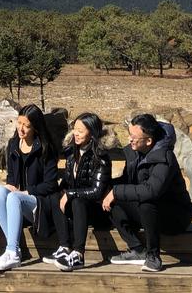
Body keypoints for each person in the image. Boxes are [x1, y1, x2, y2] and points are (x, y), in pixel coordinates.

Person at [0, 104, 60, 272]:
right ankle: (13, 249)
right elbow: (12, 180)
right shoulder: (13, 145)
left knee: (14, 197)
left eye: (27, 125)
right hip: (17, 201)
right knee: (0, 192)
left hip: (40, 203)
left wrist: (26, 192)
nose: (21, 129)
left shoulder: (46, 148)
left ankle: (12, 253)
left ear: (36, 128)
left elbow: (50, 184)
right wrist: (9, 186)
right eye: (19, 123)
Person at [102, 113, 192, 273]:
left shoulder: (165, 158)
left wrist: (116, 191)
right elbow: (126, 181)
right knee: (110, 199)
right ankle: (138, 249)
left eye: (134, 137)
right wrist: (106, 188)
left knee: (146, 203)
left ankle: (153, 257)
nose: (130, 139)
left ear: (149, 141)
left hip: (175, 217)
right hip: (151, 214)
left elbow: (152, 190)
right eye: (129, 135)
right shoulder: (135, 153)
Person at [47, 112, 112, 272]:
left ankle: (78, 254)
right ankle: (64, 247)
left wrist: (70, 194)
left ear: (92, 133)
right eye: (74, 129)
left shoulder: (101, 156)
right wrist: (62, 192)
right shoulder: (71, 152)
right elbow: (68, 182)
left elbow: (97, 192)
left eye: (81, 131)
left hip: (96, 208)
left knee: (77, 200)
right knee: (57, 195)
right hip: (75, 208)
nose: (76, 133)